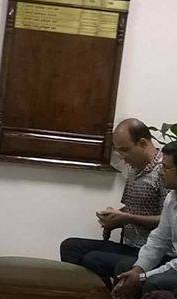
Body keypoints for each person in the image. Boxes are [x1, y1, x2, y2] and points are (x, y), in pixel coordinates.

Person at [112, 140, 177, 298]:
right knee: (126, 268)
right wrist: (138, 270)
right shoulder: (173, 196)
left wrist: (143, 277)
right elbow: (159, 239)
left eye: (165, 167)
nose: (160, 172)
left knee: (154, 282)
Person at [60, 118, 165, 279]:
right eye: (118, 151)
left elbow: (168, 220)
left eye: (125, 150)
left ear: (143, 143)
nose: (122, 157)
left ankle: (104, 295)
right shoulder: (133, 169)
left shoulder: (165, 171)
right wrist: (114, 216)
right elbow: (131, 208)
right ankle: (84, 294)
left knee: (93, 259)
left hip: (150, 251)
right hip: (129, 245)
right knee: (70, 247)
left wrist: (127, 218)